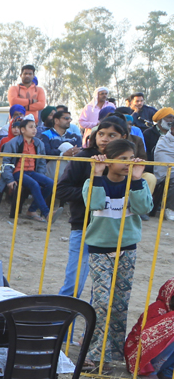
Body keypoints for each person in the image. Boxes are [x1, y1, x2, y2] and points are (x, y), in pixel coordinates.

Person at [81, 139, 152, 372]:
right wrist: (97, 175)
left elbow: (144, 209)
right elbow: (94, 203)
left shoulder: (138, 183)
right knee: (102, 302)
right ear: (109, 160)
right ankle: (95, 354)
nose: (128, 163)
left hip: (127, 248)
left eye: (131, 158)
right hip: (100, 249)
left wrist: (137, 179)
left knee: (120, 304)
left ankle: (112, 352)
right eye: (122, 159)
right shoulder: (93, 182)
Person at [55, 116, 132, 298]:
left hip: (112, 229)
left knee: (103, 287)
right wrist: (91, 195)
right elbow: (62, 189)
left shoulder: (127, 163)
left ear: (123, 137)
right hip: (84, 224)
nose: (105, 139)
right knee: (73, 281)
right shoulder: (83, 158)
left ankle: (95, 317)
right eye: (101, 134)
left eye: (112, 135)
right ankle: (63, 315)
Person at [0, 117, 54, 222]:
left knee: (50, 183)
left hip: (32, 172)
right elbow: (5, 162)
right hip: (17, 172)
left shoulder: (39, 143)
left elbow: (42, 163)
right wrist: (9, 179)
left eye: (35, 127)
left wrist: (41, 175)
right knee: (34, 184)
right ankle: (47, 213)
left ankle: (32, 210)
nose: (34, 129)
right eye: (31, 127)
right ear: (23, 130)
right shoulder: (12, 143)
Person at [124, 279, 174, 379]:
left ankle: (168, 372)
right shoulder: (156, 308)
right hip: (141, 358)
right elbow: (145, 338)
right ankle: (151, 373)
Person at [153, 111, 174, 222]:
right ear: (173, 129)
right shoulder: (163, 142)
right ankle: (170, 209)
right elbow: (165, 166)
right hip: (166, 175)